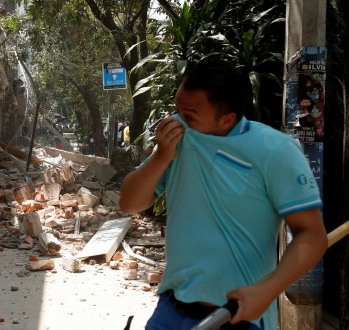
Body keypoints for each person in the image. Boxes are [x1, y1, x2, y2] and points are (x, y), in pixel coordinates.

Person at [119, 59, 327, 329]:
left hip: (239, 316)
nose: (177, 119)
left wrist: (267, 291)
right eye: (177, 109)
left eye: (190, 115)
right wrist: (161, 156)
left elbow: (312, 235)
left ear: (227, 118)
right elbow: (128, 203)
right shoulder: (176, 141)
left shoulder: (276, 150)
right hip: (172, 308)